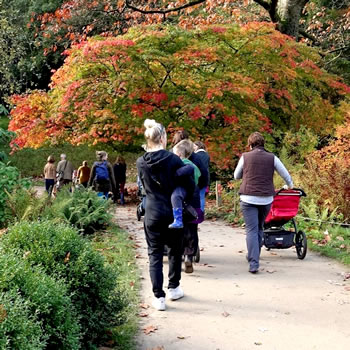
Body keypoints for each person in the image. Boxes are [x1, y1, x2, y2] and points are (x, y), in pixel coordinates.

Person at [137, 119, 194, 311]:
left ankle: (158, 297)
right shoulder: (173, 159)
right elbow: (186, 183)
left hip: (152, 210)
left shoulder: (140, 162)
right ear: (162, 138)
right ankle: (174, 288)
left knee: (154, 253)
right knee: (174, 250)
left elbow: (143, 188)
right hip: (172, 210)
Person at [234, 132, 293, 274]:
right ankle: (253, 256)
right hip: (266, 199)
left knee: (251, 230)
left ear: (250, 145)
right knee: (259, 227)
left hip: (248, 198)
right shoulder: (272, 158)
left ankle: (254, 261)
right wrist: (290, 186)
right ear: (263, 144)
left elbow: (236, 176)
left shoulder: (245, 157)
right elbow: (285, 174)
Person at [169, 139, 201, 229]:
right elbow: (199, 176)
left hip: (184, 188)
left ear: (178, 154)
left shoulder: (184, 164)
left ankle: (178, 219)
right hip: (193, 192)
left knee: (176, 196)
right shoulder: (193, 164)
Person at [194, 140, 210, 212]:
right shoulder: (206, 155)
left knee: (197, 197)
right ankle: (201, 212)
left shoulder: (196, 155)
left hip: (198, 177)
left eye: (194, 146)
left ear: (197, 146)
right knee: (202, 197)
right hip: (205, 177)